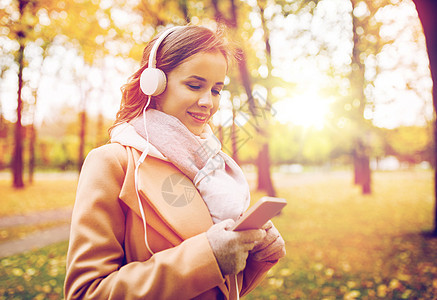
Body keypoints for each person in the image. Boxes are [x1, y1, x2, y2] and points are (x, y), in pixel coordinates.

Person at [64, 25, 286, 300]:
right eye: (195, 85)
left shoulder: (211, 165)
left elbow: (220, 290)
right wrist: (209, 257)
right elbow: (86, 293)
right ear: (155, 84)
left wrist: (256, 258)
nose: (208, 102)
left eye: (217, 90)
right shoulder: (113, 163)